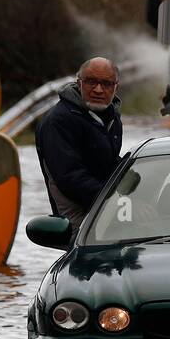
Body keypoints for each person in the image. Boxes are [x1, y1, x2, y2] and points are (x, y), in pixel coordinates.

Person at [35, 56, 124, 228]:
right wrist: (119, 200)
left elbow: (108, 164)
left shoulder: (112, 117)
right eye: (91, 82)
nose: (98, 90)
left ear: (116, 87)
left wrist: (138, 183)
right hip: (77, 220)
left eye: (106, 84)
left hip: (107, 205)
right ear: (79, 82)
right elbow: (69, 176)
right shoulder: (59, 121)